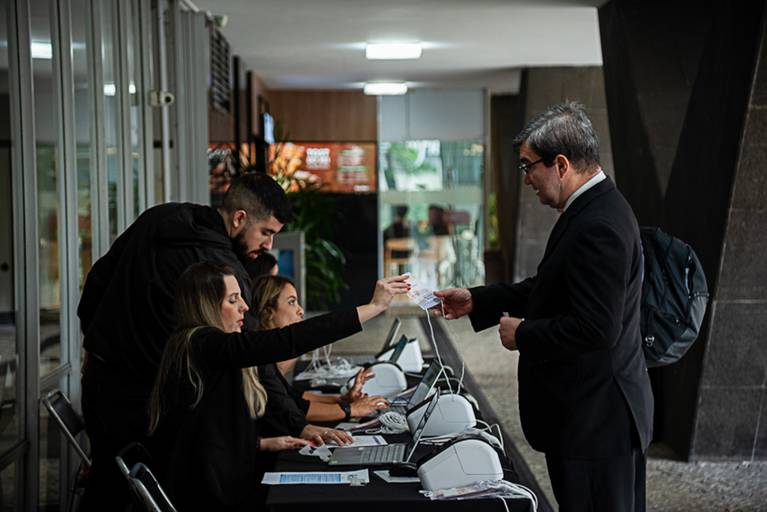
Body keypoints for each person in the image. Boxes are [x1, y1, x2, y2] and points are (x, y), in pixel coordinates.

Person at [434, 102, 653, 511]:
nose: (526, 179)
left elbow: (597, 328)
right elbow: (550, 287)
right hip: (591, 417)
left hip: (597, 423)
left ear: (561, 164)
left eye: (528, 166)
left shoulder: (598, 224)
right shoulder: (590, 209)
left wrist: (524, 334)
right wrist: (479, 300)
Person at [77, 173, 292, 509]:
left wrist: (96, 345)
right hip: (152, 404)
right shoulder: (222, 269)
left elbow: (97, 281)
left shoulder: (158, 217)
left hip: (103, 387)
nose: (269, 245)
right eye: (266, 232)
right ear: (239, 218)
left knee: (109, 486)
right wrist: (296, 420)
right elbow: (249, 350)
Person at [148, 262, 408, 510]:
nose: (244, 307)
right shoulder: (204, 344)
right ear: (206, 305)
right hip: (206, 496)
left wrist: (260, 444)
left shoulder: (196, 345)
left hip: (211, 482)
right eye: (233, 300)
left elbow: (212, 429)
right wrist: (373, 307)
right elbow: (288, 340)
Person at [251, 274, 390, 431]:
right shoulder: (260, 365)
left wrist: (343, 400)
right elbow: (291, 409)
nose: (300, 310)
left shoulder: (268, 363)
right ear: (268, 312)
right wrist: (351, 409)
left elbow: (293, 397)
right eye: (291, 302)